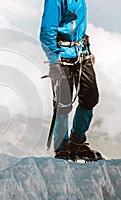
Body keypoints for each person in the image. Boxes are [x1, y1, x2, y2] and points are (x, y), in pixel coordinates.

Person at [40, 0, 100, 160]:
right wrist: (53, 62)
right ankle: (62, 147)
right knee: (63, 104)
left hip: (81, 52)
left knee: (90, 97)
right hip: (62, 57)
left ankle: (77, 143)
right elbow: (47, 31)